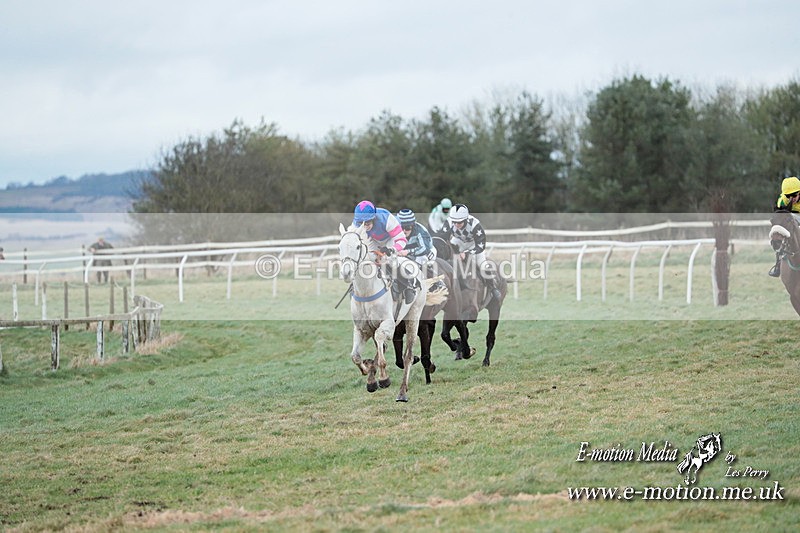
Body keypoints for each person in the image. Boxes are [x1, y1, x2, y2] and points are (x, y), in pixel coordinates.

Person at [352, 200, 419, 304]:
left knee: (390, 260)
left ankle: (408, 285)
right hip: (372, 240)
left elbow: (402, 240)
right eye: (361, 223)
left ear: (374, 218)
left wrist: (392, 250)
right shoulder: (356, 223)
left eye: (368, 223)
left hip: (390, 239)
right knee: (367, 259)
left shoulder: (386, 219)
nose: (364, 227)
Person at [445, 204, 502, 301]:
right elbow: (444, 237)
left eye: (459, 222)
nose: (456, 225)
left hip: (474, 244)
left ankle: (493, 288)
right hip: (457, 241)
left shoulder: (475, 225)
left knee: (483, 265)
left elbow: (481, 245)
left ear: (466, 219)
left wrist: (466, 253)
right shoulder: (449, 222)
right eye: (455, 222)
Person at [769, 176, 800, 277]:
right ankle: (778, 264)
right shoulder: (781, 201)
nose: (791, 199)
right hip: (791, 218)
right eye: (788, 196)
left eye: (794, 195)